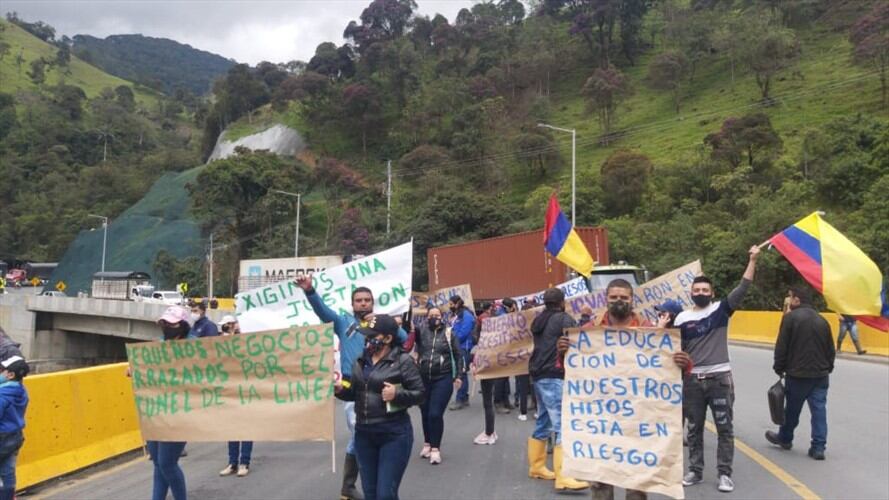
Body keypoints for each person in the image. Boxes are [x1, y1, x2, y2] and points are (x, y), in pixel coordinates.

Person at [569, 281, 692, 500]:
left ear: (632, 299)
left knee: (636, 484)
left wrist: (683, 363)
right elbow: (571, 370)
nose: (619, 301)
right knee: (601, 482)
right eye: (614, 297)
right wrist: (564, 353)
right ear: (606, 299)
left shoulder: (650, 331)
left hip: (637, 421)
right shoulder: (589, 331)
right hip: (601, 421)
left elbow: (667, 369)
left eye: (624, 297)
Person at [295, 274, 407, 500]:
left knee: (372, 433)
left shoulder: (382, 323)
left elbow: (403, 338)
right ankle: (352, 486)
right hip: (352, 385)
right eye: (359, 300)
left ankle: (358, 485)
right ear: (352, 304)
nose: (363, 304)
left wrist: (383, 320)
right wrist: (309, 290)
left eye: (367, 300)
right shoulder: (343, 322)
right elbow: (322, 311)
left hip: (380, 385)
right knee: (359, 431)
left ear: (372, 303)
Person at [676, 245, 759, 493]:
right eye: (697, 290)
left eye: (705, 290)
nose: (701, 293)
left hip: (720, 380)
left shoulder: (721, 309)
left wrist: (753, 260)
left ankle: (725, 474)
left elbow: (743, 286)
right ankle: (695, 470)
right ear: (690, 293)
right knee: (694, 429)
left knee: (725, 428)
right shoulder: (681, 318)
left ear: (712, 293)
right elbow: (672, 349)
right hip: (692, 381)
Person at [335, 314, 425, 500]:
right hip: (364, 434)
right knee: (370, 494)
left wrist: (397, 394)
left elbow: (420, 394)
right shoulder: (361, 360)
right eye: (366, 335)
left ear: (388, 338)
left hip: (393, 434)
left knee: (385, 495)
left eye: (372, 335)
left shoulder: (403, 361)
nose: (367, 339)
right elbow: (355, 393)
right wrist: (340, 390)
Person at [526, 288, 588, 491]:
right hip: (554, 373)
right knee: (563, 423)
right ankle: (564, 476)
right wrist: (585, 318)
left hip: (538, 374)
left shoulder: (539, 320)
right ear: (562, 302)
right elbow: (579, 338)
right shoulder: (563, 319)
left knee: (544, 419)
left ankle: (537, 466)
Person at [766, 286, 835, 460]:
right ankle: (818, 447)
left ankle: (785, 438)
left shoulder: (790, 319)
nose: (789, 301)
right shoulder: (822, 320)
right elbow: (830, 349)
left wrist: (778, 367)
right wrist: (828, 368)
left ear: (797, 300)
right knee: (819, 411)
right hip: (820, 375)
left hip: (798, 375)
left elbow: (782, 346)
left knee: (792, 410)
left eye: (790, 297)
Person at [148, 305, 192, 500]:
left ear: (183, 326)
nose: (166, 327)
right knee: (158, 463)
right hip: (156, 411)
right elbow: (147, 368)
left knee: (167, 463)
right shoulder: (158, 346)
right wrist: (135, 369)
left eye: (171, 324)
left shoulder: (194, 348)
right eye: (164, 323)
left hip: (179, 413)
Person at [414, 307, 463, 464]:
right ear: (426, 317)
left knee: (435, 413)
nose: (434, 318)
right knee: (425, 412)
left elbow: (458, 355)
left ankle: (435, 449)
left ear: (442, 317)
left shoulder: (449, 333)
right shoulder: (421, 332)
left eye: (437, 315)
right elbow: (410, 343)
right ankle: (427, 443)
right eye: (431, 315)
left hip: (443, 377)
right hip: (423, 378)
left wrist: (458, 376)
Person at [217, 316, 253, 477]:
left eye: (228, 325)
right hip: (229, 391)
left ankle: (244, 462)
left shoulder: (246, 343)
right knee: (231, 428)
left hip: (245, 391)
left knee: (246, 428)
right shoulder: (222, 343)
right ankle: (232, 462)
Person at [0, 355, 29, 500]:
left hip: (2, 437)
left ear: (10, 375)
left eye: (2, 371)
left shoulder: (2, 395)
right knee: (7, 470)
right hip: (15, 436)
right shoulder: (22, 392)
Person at [447, 296, 475, 411]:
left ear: (457, 303)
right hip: (456, 347)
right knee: (460, 372)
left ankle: (460, 399)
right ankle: (463, 397)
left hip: (463, 347)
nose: (450, 306)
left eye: (451, 304)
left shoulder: (466, 316)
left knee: (461, 372)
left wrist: (452, 340)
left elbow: (463, 333)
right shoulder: (456, 315)